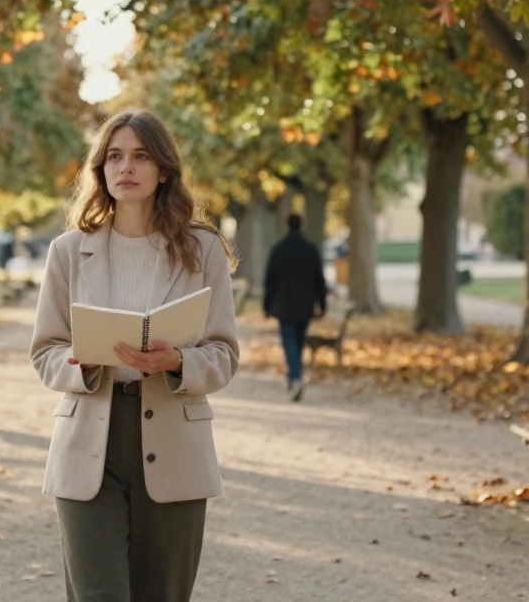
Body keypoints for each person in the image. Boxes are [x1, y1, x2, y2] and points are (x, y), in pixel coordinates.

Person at [30, 109, 240, 602]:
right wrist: (81, 362)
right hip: (88, 447)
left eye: (141, 156)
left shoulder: (202, 249)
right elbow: (45, 352)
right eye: (115, 157)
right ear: (100, 170)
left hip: (174, 443)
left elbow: (225, 354)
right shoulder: (67, 251)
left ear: (163, 168)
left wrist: (179, 362)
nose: (126, 167)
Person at [263, 214, 328, 401]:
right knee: (298, 343)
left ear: (286, 224)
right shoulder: (311, 249)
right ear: (302, 225)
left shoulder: (278, 249)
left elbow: (270, 280)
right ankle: (295, 377)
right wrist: (322, 304)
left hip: (284, 305)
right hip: (305, 305)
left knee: (289, 342)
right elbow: (319, 279)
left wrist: (267, 305)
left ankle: (296, 378)